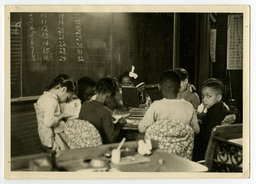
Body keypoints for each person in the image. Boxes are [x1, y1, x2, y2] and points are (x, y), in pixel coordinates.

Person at [138, 70, 200, 134]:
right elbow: (196, 131)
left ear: (159, 87)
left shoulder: (156, 106)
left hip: (160, 144)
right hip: (183, 144)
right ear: (179, 88)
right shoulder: (188, 106)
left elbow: (142, 129)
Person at [192, 78, 231, 161]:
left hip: (208, 154)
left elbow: (205, 137)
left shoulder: (215, 113)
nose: (204, 99)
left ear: (219, 97)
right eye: (203, 96)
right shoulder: (218, 110)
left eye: (208, 96)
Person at [79, 77, 126, 144]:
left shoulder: (85, 105)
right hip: (100, 148)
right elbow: (111, 139)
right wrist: (119, 124)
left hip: (85, 145)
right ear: (109, 95)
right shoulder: (105, 112)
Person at [36, 74, 76, 151]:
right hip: (54, 140)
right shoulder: (52, 101)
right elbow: (48, 122)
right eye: (67, 98)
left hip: (44, 138)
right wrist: (61, 116)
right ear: (63, 89)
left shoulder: (43, 97)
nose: (65, 101)